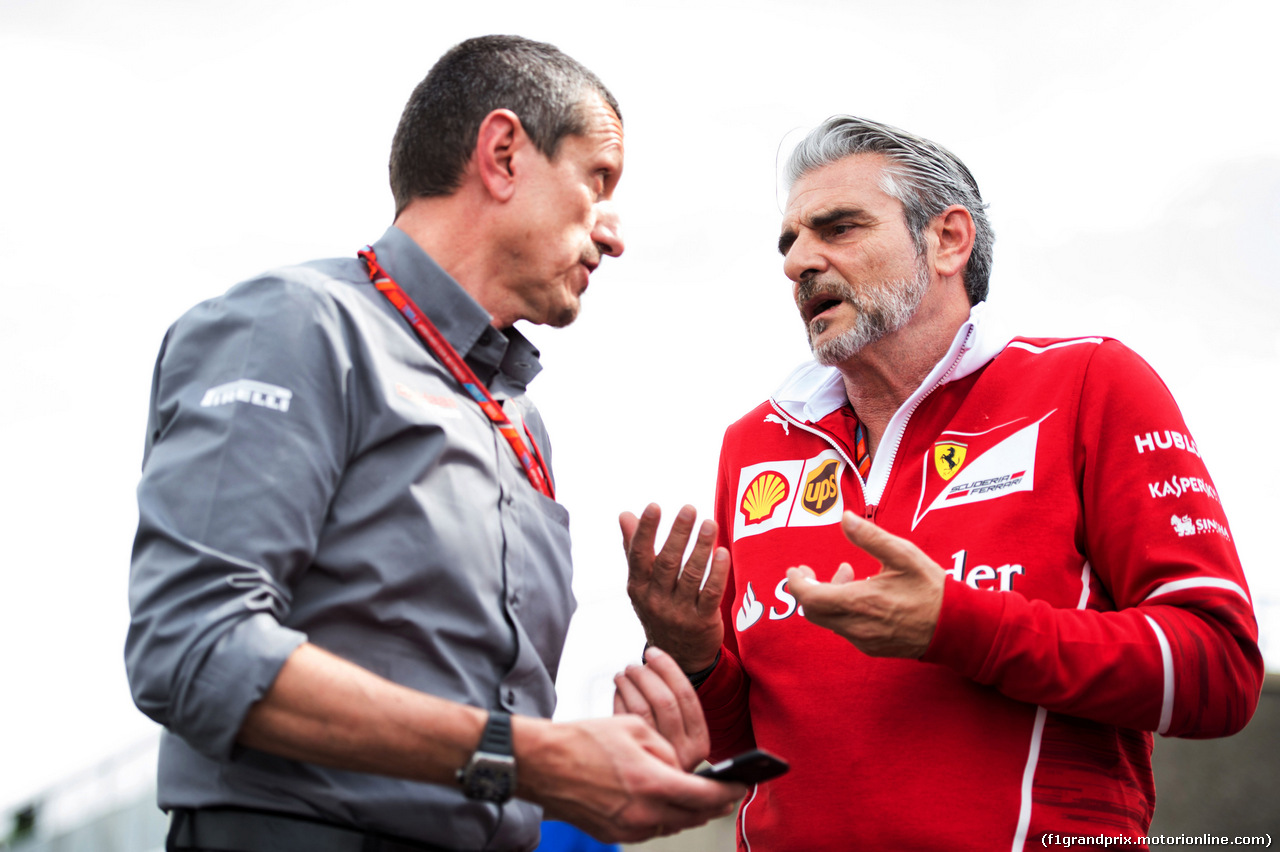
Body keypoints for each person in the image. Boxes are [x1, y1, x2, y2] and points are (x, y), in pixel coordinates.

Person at [125, 35, 742, 852]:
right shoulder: (294, 324)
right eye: (598, 180)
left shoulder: (521, 422)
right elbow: (192, 647)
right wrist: (539, 759)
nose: (614, 232)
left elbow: (484, 731)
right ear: (502, 155)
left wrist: (611, 759)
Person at [623, 116, 1264, 850]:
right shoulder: (755, 445)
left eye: (838, 227)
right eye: (789, 241)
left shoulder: (1089, 382)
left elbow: (1221, 673)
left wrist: (961, 628)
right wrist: (695, 655)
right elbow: (751, 747)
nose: (798, 261)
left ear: (947, 241)